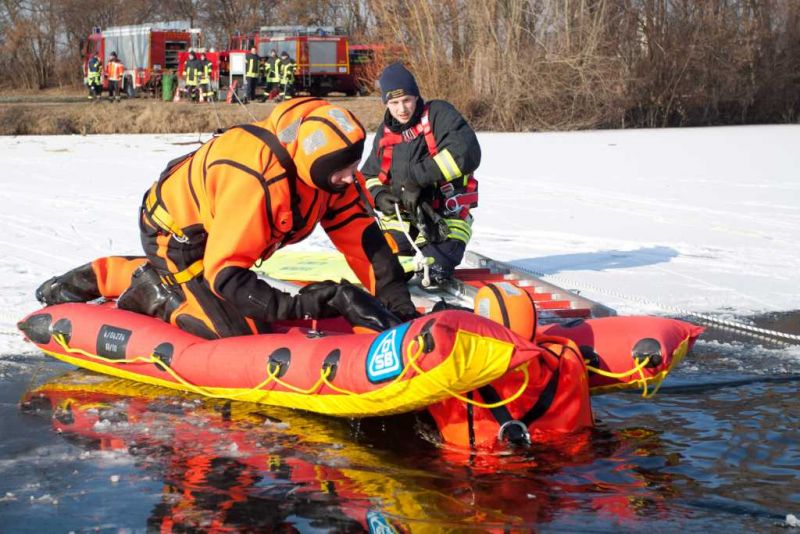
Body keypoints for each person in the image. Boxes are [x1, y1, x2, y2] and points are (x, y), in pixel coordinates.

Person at [35, 97, 418, 339]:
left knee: (254, 315)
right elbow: (227, 273)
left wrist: (398, 309)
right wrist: (305, 305)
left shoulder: (329, 176)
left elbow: (367, 244)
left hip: (224, 234)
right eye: (344, 169)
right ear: (312, 165)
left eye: (355, 164)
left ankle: (160, 280)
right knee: (234, 332)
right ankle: (143, 281)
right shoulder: (256, 182)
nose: (354, 177)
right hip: (179, 238)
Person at [360, 63, 481, 286]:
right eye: (394, 103)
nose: (402, 109)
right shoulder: (386, 133)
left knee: (431, 271)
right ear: (386, 103)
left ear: (416, 96)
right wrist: (378, 196)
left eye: (406, 100)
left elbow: (467, 153)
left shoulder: (438, 114)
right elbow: (367, 176)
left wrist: (417, 180)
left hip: (444, 218)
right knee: (383, 267)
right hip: (404, 220)